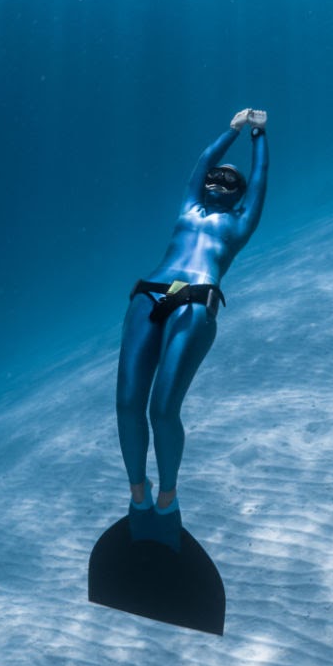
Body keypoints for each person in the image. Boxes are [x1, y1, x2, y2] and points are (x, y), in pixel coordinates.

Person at [117, 108, 268, 547]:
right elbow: (202, 161)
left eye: (230, 182)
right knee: (128, 405)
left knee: (162, 411)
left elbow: (259, 180)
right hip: (147, 296)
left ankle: (168, 500)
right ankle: (137, 498)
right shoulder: (189, 203)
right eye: (215, 178)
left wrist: (259, 135)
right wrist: (233, 130)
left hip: (196, 301)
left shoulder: (240, 223)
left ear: (239, 195)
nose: (219, 182)